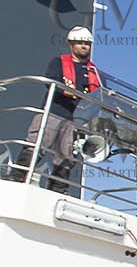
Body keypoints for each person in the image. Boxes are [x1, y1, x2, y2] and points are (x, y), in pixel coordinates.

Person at [19, 26, 102, 192]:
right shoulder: (59, 62)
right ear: (71, 44)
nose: (84, 46)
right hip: (53, 112)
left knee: (66, 157)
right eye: (79, 43)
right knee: (36, 145)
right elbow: (50, 82)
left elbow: (99, 95)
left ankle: (57, 190)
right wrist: (69, 92)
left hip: (76, 120)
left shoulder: (94, 72)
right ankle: (18, 178)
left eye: (87, 43)